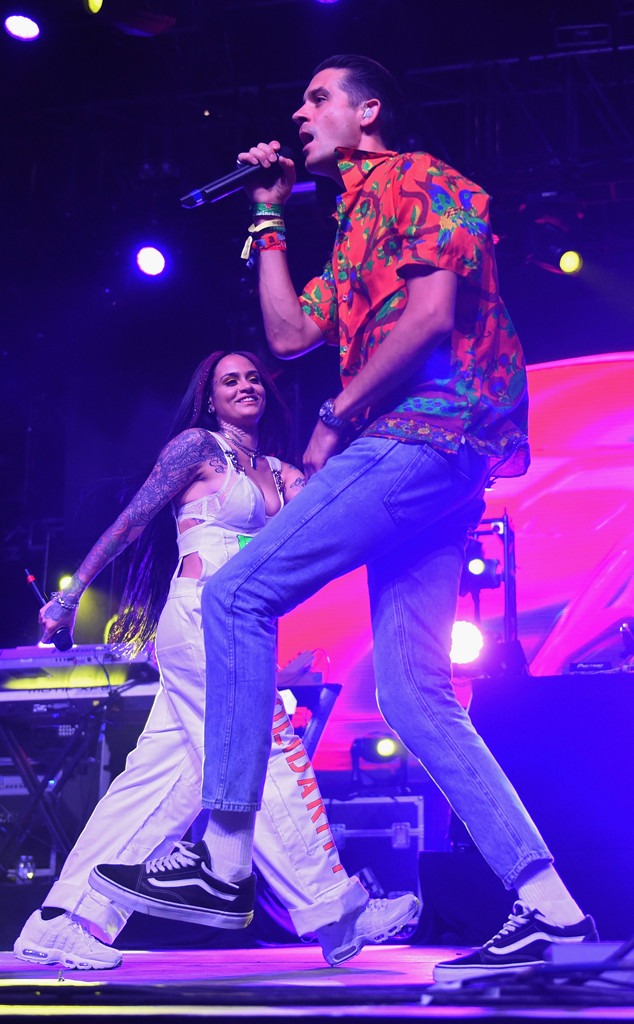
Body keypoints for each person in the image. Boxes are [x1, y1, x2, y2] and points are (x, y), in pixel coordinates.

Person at [90, 56, 598, 982]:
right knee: (414, 695)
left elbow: (433, 316)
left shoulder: (420, 179)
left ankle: (226, 860)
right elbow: (287, 335)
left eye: (318, 97)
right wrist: (270, 212)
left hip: (423, 438)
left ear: (368, 112)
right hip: (431, 467)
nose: (300, 110)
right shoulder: (356, 226)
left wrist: (334, 413)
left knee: (236, 593)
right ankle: (552, 906)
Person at [13, 348, 418, 971]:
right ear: (211, 396)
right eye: (230, 380)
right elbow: (134, 519)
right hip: (201, 617)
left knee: (162, 785)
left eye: (254, 377)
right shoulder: (197, 448)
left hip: (243, 629)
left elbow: (335, 520)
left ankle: (66, 918)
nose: (245, 386)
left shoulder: (284, 473)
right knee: (267, 747)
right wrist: (72, 593)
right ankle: (336, 911)